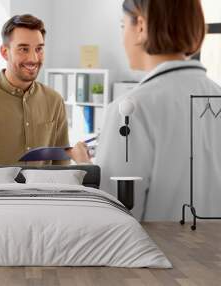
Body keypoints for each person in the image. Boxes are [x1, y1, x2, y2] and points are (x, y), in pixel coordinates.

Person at [67, 0, 221, 221]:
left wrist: (84, 167)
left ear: (140, 26)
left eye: (123, 26)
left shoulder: (129, 110)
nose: (122, 38)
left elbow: (114, 219)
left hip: (159, 253)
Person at [0, 14, 69, 166]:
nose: (33, 58)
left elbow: (61, 164)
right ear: (5, 52)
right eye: (24, 49)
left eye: (39, 49)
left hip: (46, 190)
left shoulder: (55, 100)